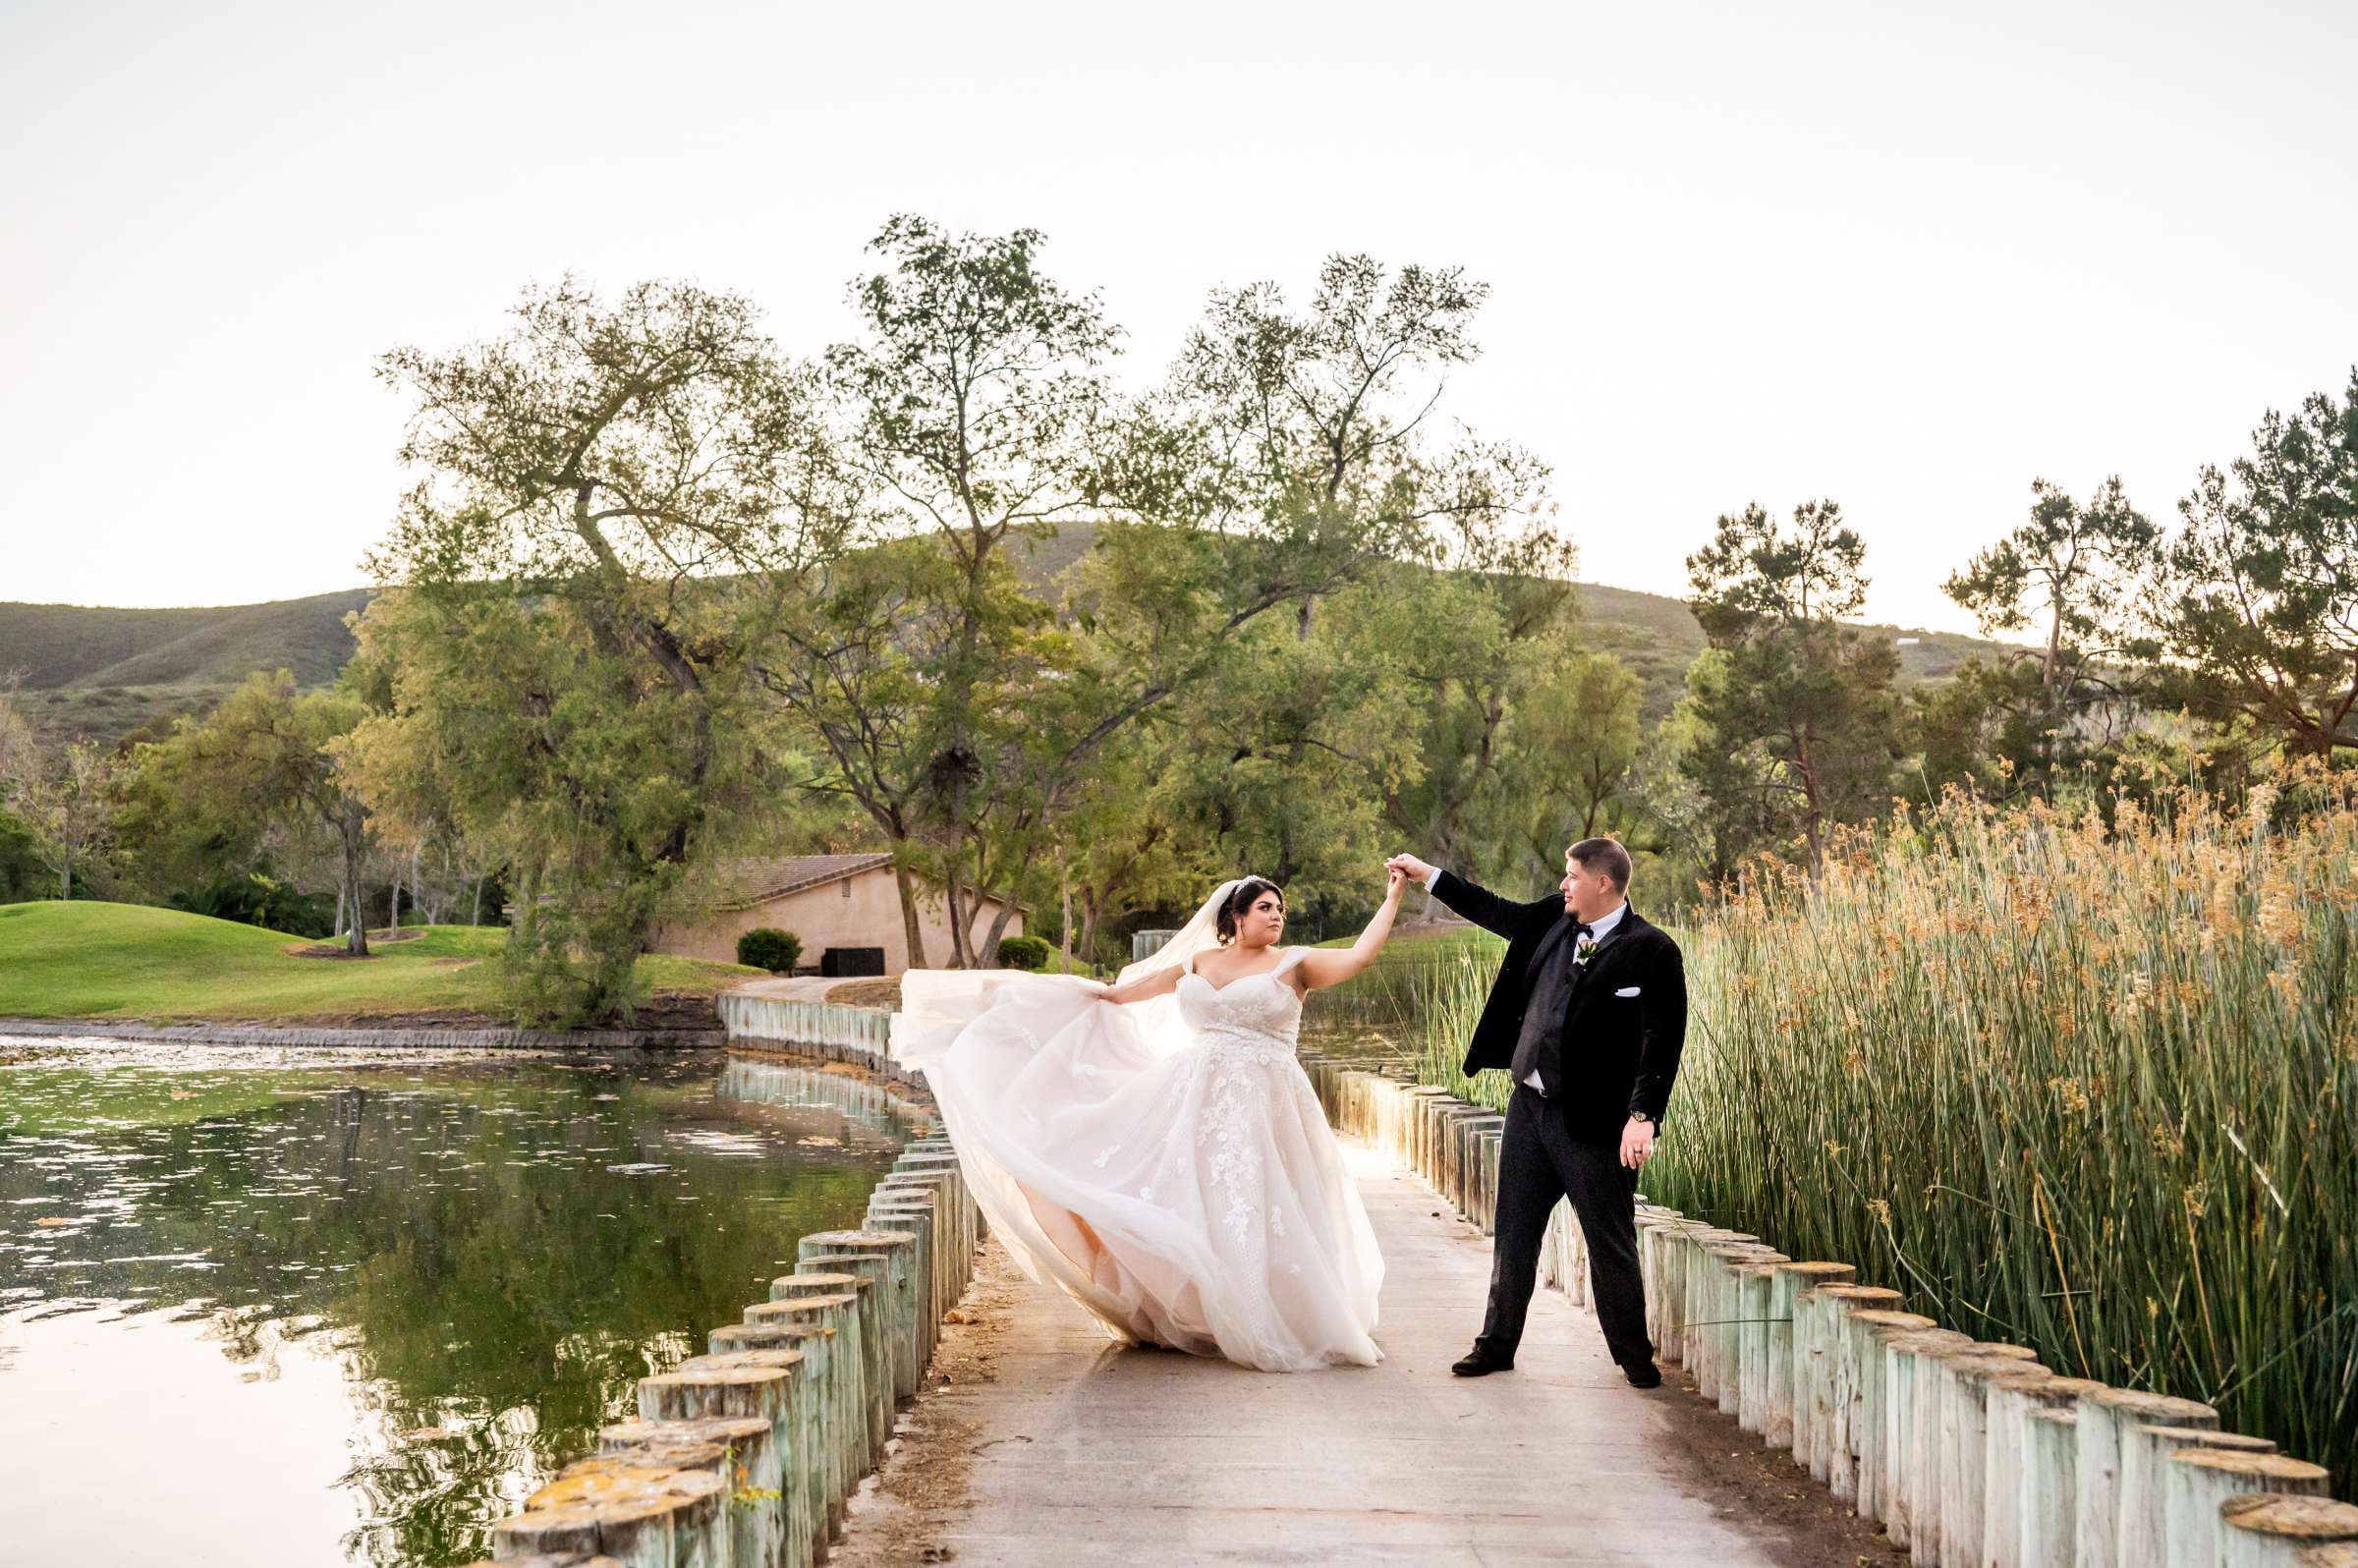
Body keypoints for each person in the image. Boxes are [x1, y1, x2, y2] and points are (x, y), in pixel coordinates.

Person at [890, 868, 1410, 1372]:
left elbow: (1362, 957)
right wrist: (1067, 1000)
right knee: (1189, 1198)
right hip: (1189, 1097)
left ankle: (1272, 1309)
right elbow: (1124, 994)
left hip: (1267, 1099)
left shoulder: (1296, 963)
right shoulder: (1200, 962)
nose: (1276, 916)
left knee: (1258, 1202)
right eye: (1264, 908)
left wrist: (1391, 898)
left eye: (1280, 909)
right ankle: (1195, 1312)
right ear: (1236, 916)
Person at [1384, 839, 1686, 1387]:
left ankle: (1633, 1356)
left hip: (1594, 1124)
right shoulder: (1553, 917)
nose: (1563, 884)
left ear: (1603, 882)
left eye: (1572, 875)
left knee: (1610, 1242)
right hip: (1529, 1109)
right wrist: (1430, 875)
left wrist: (1643, 1116)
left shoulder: (1653, 950)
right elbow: (1494, 910)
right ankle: (1496, 1345)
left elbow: (1661, 1041)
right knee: (1514, 1234)